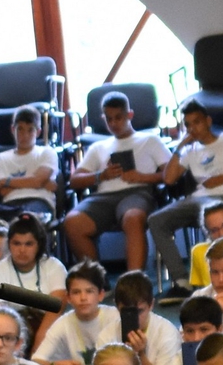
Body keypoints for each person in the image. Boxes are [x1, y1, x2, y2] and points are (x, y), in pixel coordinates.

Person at [146, 103, 223, 291]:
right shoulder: (189, 150)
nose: (193, 129)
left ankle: (218, 276)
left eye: (197, 122)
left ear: (208, 121)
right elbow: (169, 179)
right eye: (188, 125)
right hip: (196, 200)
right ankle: (181, 281)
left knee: (211, 212)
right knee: (156, 220)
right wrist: (180, 146)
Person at [64, 92, 171, 269]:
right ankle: (97, 279)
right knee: (72, 221)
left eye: (118, 118)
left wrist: (143, 177)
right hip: (102, 197)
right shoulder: (98, 147)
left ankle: (134, 279)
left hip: (137, 193)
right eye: (109, 119)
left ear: (130, 115)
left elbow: (172, 174)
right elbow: (74, 180)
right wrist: (101, 176)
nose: (113, 123)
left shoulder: (150, 140)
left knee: (132, 218)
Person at [32, 261, 122, 365]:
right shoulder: (63, 323)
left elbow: (129, 356)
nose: (83, 298)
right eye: (76, 292)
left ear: (101, 295)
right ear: (68, 298)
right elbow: (35, 361)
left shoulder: (114, 317)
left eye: (89, 291)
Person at [0, 106, 59, 218]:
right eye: (20, 129)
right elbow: (3, 191)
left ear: (38, 132)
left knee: (25, 216)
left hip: (39, 201)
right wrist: (38, 183)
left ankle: (20, 215)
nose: (25, 135)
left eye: (30, 130)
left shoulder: (47, 152)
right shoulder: (0, 158)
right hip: (10, 204)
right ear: (13, 129)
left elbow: (37, 181)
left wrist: (5, 181)